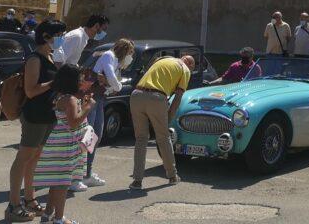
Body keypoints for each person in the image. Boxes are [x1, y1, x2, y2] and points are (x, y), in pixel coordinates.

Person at [7, 18, 65, 222]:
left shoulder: (49, 57)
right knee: (24, 157)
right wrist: (54, 82)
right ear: (46, 36)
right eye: (59, 35)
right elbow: (30, 91)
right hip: (34, 115)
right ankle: (13, 204)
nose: (62, 39)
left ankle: (30, 199)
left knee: (34, 158)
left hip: (48, 115)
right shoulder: (35, 59)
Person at [34, 64, 95, 224]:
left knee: (56, 182)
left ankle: (48, 214)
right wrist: (87, 108)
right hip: (66, 146)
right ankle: (59, 219)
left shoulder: (61, 96)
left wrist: (83, 103)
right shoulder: (70, 99)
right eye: (80, 77)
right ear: (72, 80)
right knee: (62, 185)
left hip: (60, 143)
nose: (82, 80)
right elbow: (74, 122)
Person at [129, 54, 194, 190]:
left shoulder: (163, 60)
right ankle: (172, 176)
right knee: (163, 138)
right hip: (156, 98)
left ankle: (137, 180)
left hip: (136, 95)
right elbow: (178, 97)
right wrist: (169, 118)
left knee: (141, 138)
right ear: (190, 65)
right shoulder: (185, 70)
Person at [83, 37, 134, 188]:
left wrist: (114, 85)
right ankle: (78, 175)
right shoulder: (108, 56)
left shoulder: (116, 61)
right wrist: (117, 86)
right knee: (88, 135)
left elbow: (113, 83)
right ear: (124, 51)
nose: (130, 57)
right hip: (92, 97)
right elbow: (113, 80)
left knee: (95, 136)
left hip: (100, 98)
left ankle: (87, 173)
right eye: (130, 53)